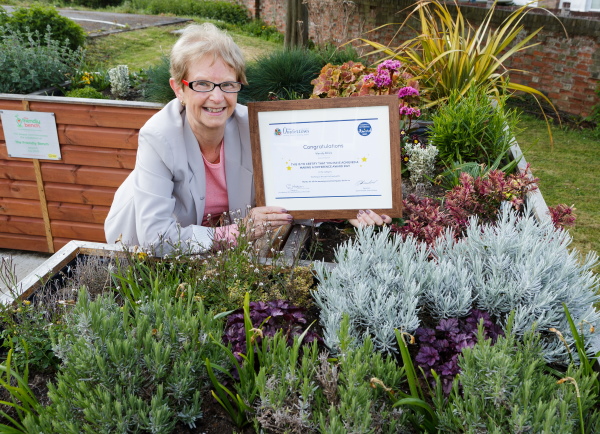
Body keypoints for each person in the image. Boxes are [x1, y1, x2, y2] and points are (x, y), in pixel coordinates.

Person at [104, 23, 391, 254]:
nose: (217, 97)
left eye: (228, 84)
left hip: (213, 248)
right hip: (139, 250)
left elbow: (300, 183)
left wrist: (351, 207)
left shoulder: (254, 126)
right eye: (202, 84)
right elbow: (157, 239)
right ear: (179, 89)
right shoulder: (158, 137)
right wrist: (237, 232)